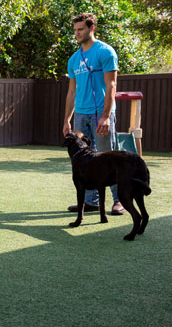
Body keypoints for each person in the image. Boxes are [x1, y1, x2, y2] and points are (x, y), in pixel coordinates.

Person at [62, 12, 125, 216]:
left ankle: (119, 200)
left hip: (101, 113)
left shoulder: (105, 52)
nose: (77, 34)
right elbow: (72, 92)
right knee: (84, 158)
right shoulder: (74, 59)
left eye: (80, 29)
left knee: (109, 157)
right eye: (75, 30)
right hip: (81, 113)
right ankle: (91, 202)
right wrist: (67, 120)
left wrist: (106, 116)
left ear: (92, 28)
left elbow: (112, 85)